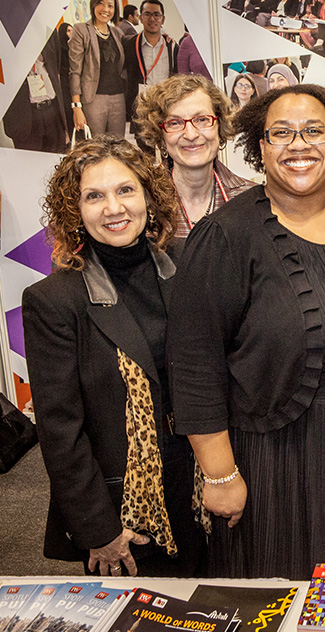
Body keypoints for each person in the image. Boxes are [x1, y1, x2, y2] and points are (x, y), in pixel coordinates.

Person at [167, 84, 325, 579]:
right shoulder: (227, 234)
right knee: (292, 593)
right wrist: (219, 474)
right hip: (284, 452)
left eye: (314, 131)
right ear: (258, 148)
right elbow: (194, 365)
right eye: (280, 133)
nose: (298, 145)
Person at [22, 136, 204, 578]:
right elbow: (60, 432)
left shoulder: (191, 265)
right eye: (94, 196)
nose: (114, 207)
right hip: (125, 517)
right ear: (75, 212)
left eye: (125, 190)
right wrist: (98, 530)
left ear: (148, 195)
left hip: (203, 493)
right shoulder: (53, 300)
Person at [136, 74, 255, 237]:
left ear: (220, 127)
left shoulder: (250, 200)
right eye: (175, 123)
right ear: (160, 134)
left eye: (201, 120)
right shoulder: (143, 201)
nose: (190, 135)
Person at [3, 29, 69, 153]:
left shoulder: (45, 26)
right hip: (24, 115)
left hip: (52, 109)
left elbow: (56, 63)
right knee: (31, 164)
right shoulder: (5, 31)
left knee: (58, 161)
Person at [124, 0, 178, 151]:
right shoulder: (129, 45)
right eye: (147, 14)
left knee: (169, 146)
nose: (152, 19)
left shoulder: (172, 46)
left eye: (156, 15)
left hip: (166, 105)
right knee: (145, 149)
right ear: (140, 18)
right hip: (141, 106)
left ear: (163, 19)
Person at [69, 0, 127, 136]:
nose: (105, 9)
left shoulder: (117, 33)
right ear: (94, 4)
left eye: (110, 6)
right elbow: (74, 72)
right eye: (101, 3)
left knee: (118, 145)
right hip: (93, 99)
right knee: (96, 146)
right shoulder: (81, 30)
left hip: (118, 98)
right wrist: (76, 107)